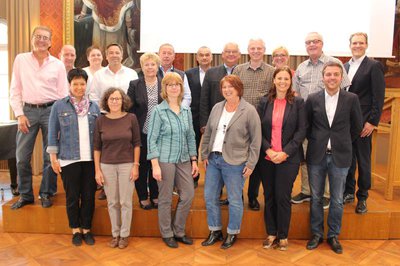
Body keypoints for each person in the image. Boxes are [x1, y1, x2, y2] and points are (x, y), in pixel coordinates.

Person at [305, 61, 362, 254]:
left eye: (335, 74)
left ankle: (333, 235)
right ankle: (316, 234)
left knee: (337, 199)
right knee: (316, 198)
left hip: (341, 156)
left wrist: (341, 141)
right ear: (323, 77)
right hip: (316, 156)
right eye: (328, 74)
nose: (331, 78)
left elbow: (356, 127)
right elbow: (306, 126)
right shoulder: (312, 99)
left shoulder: (351, 98)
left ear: (341, 77)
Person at [9, 25, 68, 209]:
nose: (41, 40)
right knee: (21, 156)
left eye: (45, 38)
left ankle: (46, 192)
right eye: (38, 36)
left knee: (49, 155)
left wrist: (60, 118)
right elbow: (15, 89)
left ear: (50, 42)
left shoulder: (57, 64)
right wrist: (19, 114)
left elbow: (63, 94)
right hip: (28, 112)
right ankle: (26, 194)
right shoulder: (21, 59)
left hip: (52, 111)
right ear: (32, 39)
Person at [291, 32, 351, 210]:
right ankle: (306, 190)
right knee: (306, 155)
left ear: (322, 43)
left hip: (328, 121)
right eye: (308, 42)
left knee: (325, 156)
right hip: (306, 119)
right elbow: (295, 94)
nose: (312, 45)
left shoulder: (334, 64)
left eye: (315, 41)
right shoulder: (301, 67)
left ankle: (324, 194)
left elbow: (345, 90)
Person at [201, 75, 261, 249]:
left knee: (235, 199)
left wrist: (251, 164)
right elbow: (209, 133)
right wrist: (205, 154)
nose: (227, 90)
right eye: (224, 87)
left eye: (230, 87)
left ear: (238, 89)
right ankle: (215, 230)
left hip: (236, 162)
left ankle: (232, 232)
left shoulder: (249, 111)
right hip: (214, 159)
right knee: (210, 196)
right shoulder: (217, 108)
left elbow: (256, 141)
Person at [47, 68, 100, 246]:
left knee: (88, 196)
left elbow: (99, 135)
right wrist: (53, 158)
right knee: (72, 196)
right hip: (68, 159)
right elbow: (52, 132)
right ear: (69, 85)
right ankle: (75, 229)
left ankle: (86, 228)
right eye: (75, 84)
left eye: (82, 84)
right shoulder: (59, 106)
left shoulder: (94, 106)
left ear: (86, 85)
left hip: (90, 160)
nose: (79, 87)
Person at [257, 67, 307, 251]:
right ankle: (271, 233)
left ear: (290, 81)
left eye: (286, 78)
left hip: (289, 157)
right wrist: (268, 151)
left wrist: (285, 152)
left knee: (283, 196)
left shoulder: (298, 103)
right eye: (279, 78)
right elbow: (257, 130)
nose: (283, 82)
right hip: (267, 157)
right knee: (269, 195)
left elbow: (301, 131)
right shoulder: (264, 102)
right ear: (274, 80)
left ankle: (283, 235)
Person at [147, 72, 199, 248]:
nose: (174, 87)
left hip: (184, 158)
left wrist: (194, 160)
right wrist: (155, 165)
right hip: (164, 160)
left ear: (181, 88)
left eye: (177, 84)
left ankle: (178, 230)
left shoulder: (186, 111)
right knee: (166, 198)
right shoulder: (158, 111)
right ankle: (167, 233)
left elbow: (191, 136)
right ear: (165, 89)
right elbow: (151, 139)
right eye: (170, 85)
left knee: (188, 194)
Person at [343, 32, 385, 214]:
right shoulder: (344, 66)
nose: (357, 46)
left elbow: (378, 96)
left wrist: (372, 122)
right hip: (346, 123)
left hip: (364, 123)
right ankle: (349, 191)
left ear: (366, 45)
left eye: (361, 43)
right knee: (348, 160)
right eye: (354, 43)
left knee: (363, 161)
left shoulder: (374, 66)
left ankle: (363, 196)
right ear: (350, 45)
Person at [94, 87, 141, 249]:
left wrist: (136, 165)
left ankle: (124, 235)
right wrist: (97, 170)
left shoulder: (131, 118)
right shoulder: (100, 120)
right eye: (111, 99)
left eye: (118, 98)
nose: (115, 101)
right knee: (112, 202)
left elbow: (137, 144)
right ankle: (115, 234)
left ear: (123, 101)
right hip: (106, 166)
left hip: (127, 165)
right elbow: (96, 148)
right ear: (106, 101)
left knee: (126, 202)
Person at [233, 38, 274, 211]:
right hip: (240, 122)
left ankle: (252, 196)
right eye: (253, 48)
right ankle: (237, 195)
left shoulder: (272, 71)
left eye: (259, 48)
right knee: (236, 160)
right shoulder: (239, 69)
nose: (256, 51)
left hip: (262, 123)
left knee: (256, 161)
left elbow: (274, 96)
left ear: (264, 50)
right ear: (248, 51)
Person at [199, 42, 241, 206]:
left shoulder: (242, 71)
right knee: (217, 157)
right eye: (227, 52)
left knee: (232, 158)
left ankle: (234, 195)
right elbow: (204, 100)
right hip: (216, 124)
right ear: (222, 54)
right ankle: (218, 193)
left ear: (239, 55)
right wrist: (204, 124)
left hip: (236, 124)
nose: (231, 54)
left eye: (234, 52)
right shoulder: (211, 72)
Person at [127, 52, 162, 210]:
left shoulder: (164, 83)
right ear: (142, 67)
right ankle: (142, 196)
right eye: (146, 64)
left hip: (161, 133)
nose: (150, 67)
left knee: (157, 165)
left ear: (157, 66)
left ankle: (155, 195)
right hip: (141, 132)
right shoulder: (135, 84)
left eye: (153, 64)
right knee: (141, 165)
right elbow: (129, 108)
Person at [185, 46, 213, 188]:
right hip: (193, 116)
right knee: (192, 148)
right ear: (196, 58)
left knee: (212, 150)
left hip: (213, 116)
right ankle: (193, 178)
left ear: (211, 57)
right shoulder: (188, 74)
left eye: (207, 55)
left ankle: (213, 181)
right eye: (201, 55)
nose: (204, 57)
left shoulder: (216, 72)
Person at [157, 43, 191, 108]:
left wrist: (180, 110)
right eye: (164, 53)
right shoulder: (153, 73)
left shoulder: (181, 74)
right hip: (158, 112)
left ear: (174, 57)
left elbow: (187, 96)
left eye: (169, 53)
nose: (166, 56)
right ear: (158, 55)